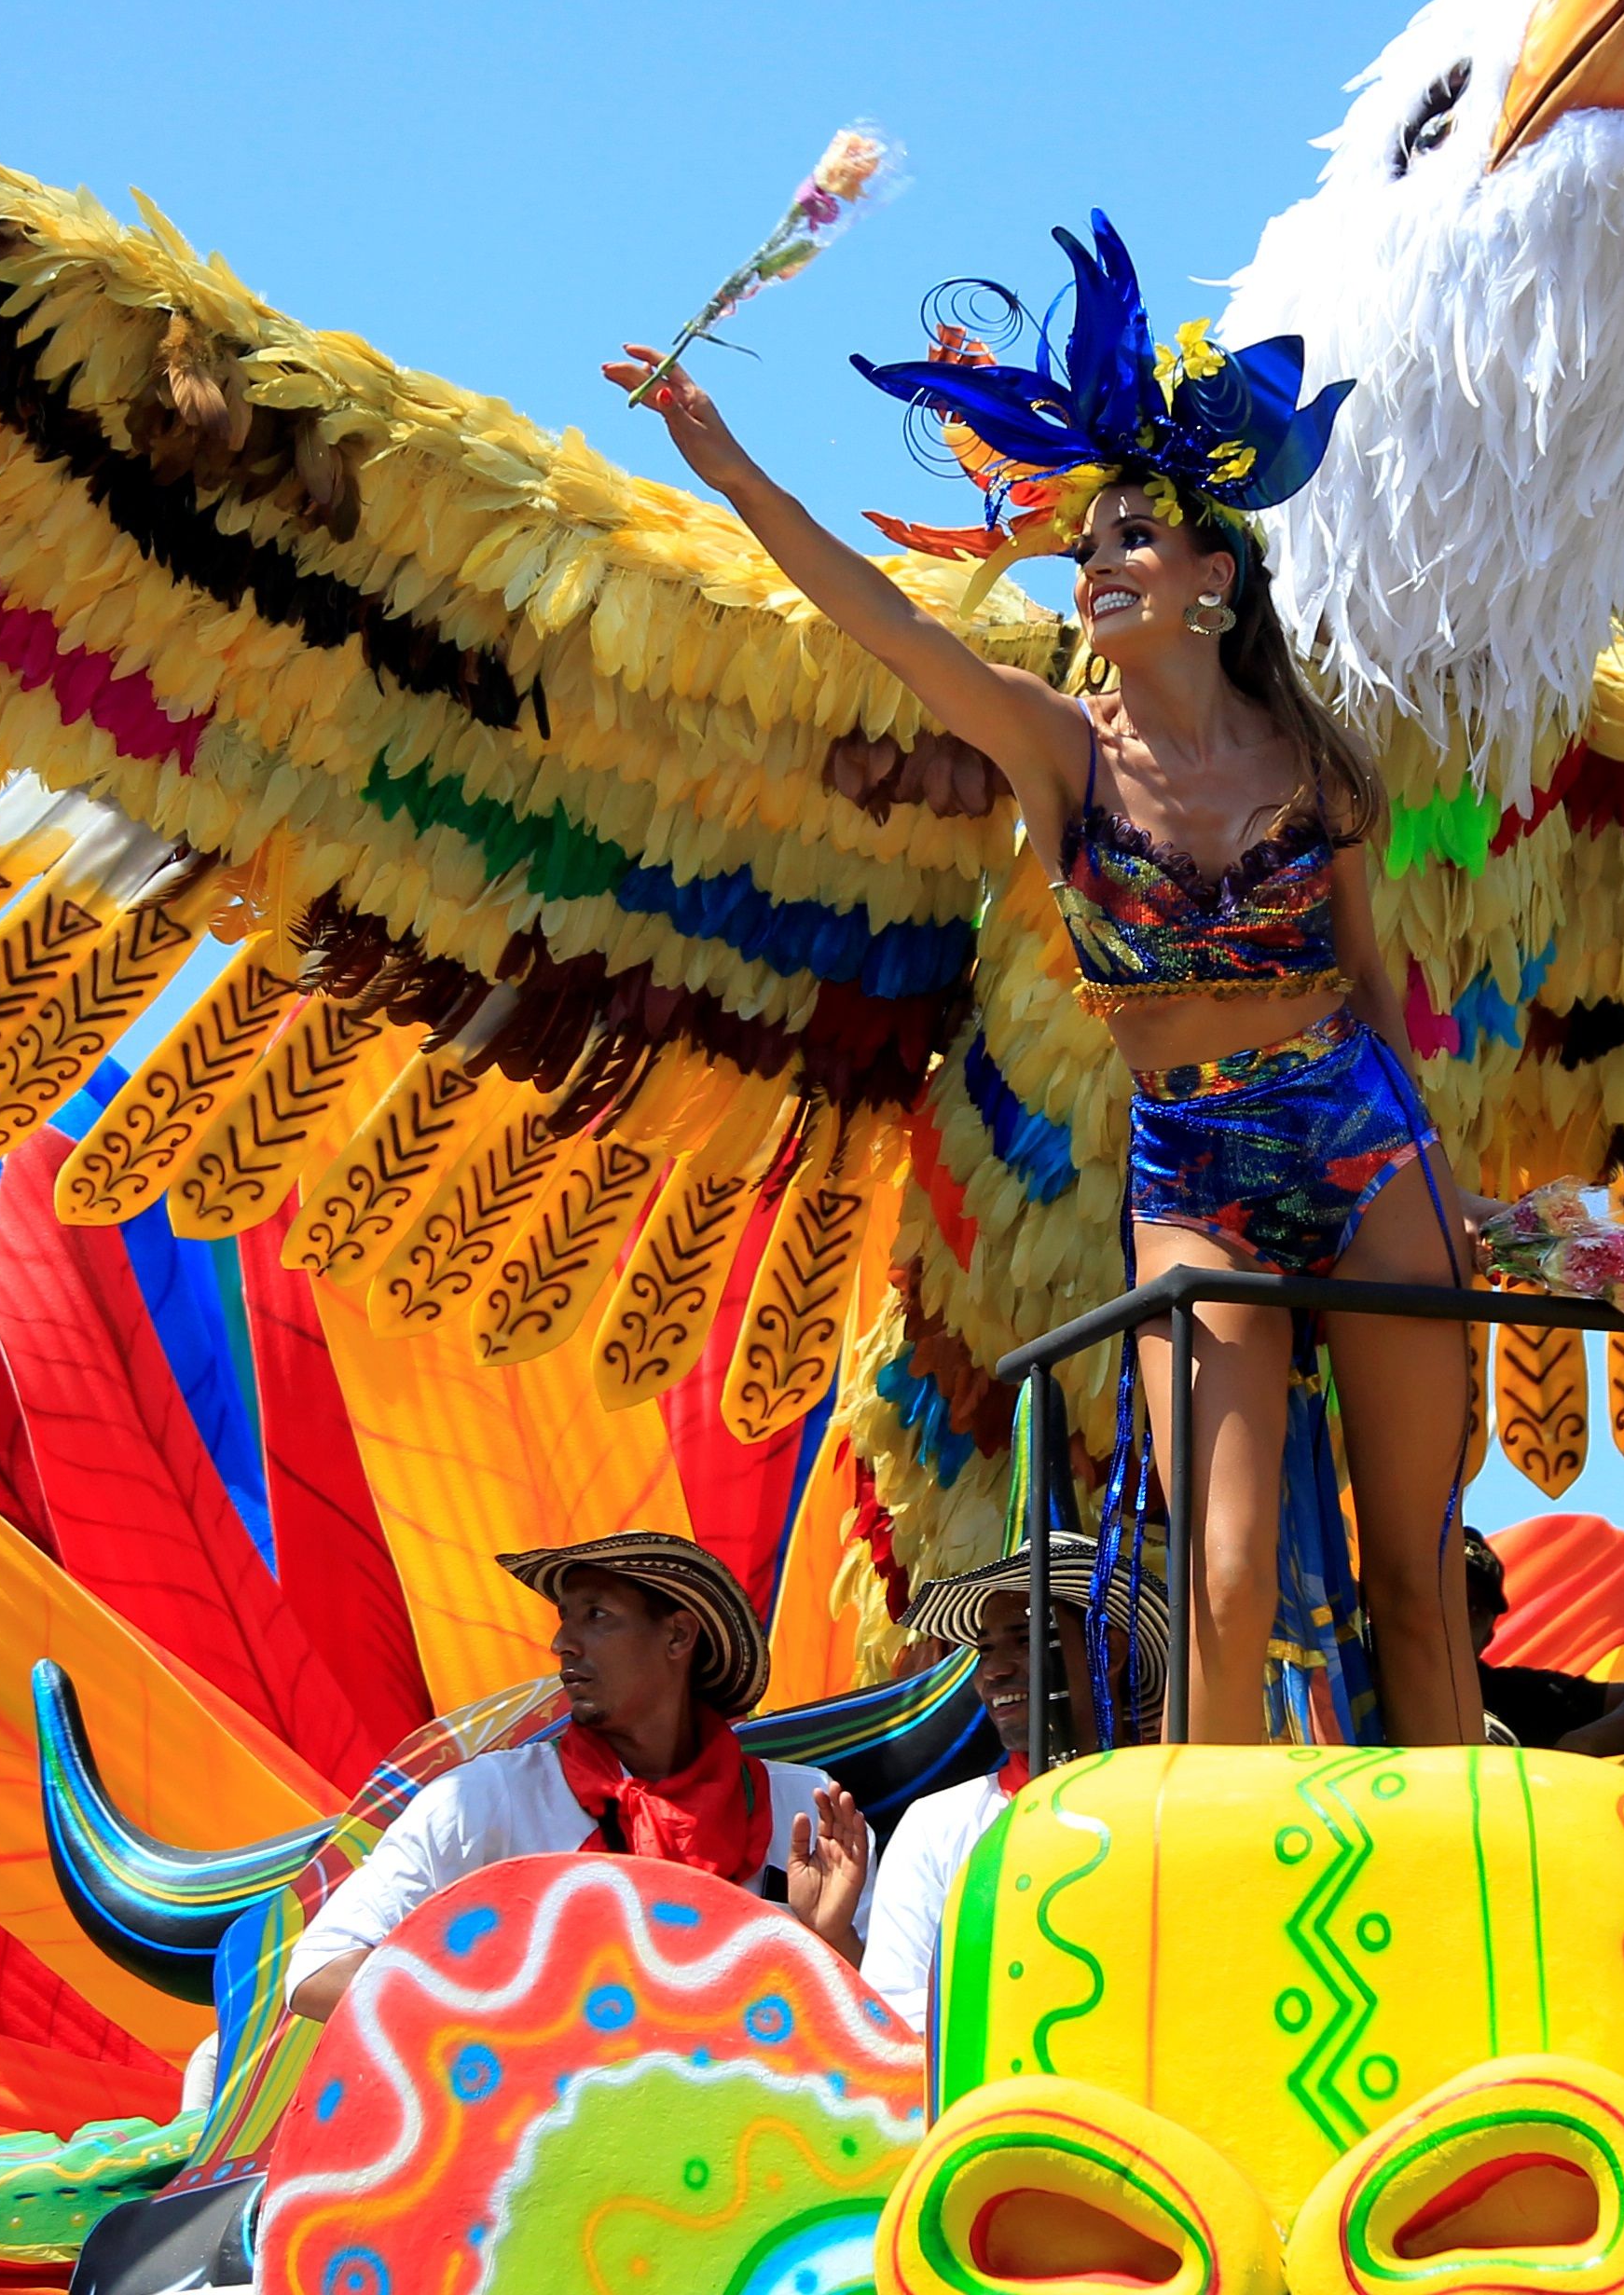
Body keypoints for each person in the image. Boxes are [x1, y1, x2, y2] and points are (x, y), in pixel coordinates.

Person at [607, 215, 1486, 1750]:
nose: (1094, 567)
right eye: (1082, 548)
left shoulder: (1320, 763)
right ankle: (1214, 1851)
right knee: (1212, 1564)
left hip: (1359, 1142)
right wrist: (732, 469)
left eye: (1129, 541)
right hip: (1192, 1164)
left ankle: (1470, 1853)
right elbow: (875, 621)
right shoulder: (1055, 745)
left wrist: (1451, 1190)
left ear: (1213, 576)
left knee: (1411, 1558)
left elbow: (1376, 989)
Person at [282, 1533, 863, 2020]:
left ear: (678, 1637)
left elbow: (892, 2021)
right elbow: (319, 1971)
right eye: (566, 1619)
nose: (562, 1643)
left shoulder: (804, 1809)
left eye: (597, 1616)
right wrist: (523, 2016)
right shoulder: (486, 1802)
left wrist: (832, 1938)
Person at [852, 1532, 1168, 2032]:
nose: (994, 1671)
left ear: (1106, 1654)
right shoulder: (937, 1828)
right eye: (985, 1649)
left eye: (1024, 1640)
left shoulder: (1165, 1813)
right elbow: (893, 2017)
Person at [1465, 1533, 1624, 1760]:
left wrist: (1587, 1742)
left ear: (1488, 1637)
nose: (1456, 1614)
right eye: (1445, 1595)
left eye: (1474, 1608)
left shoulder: (1519, 1694)